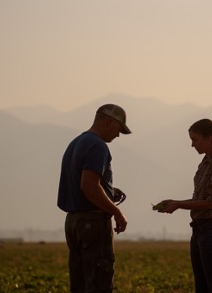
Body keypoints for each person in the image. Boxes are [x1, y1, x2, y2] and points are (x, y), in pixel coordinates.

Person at [57, 104, 131, 293]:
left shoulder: (76, 143)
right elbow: (89, 186)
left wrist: (107, 191)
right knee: (98, 284)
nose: (118, 135)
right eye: (118, 129)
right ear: (109, 122)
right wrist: (117, 212)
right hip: (92, 224)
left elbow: (81, 183)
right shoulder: (98, 146)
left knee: (79, 284)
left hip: (74, 222)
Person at [156, 118, 212, 293]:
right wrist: (175, 202)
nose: (193, 145)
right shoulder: (205, 163)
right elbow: (199, 198)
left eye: (195, 140)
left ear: (208, 138)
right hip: (200, 232)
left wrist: (178, 205)